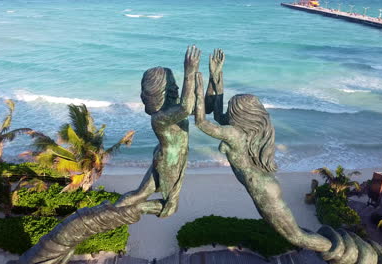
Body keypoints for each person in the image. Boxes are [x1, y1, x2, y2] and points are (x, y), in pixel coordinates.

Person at [193, 50, 331, 252]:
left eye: (231, 108)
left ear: (240, 116)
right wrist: (216, 75)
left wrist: (194, 86)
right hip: (262, 185)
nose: (227, 111)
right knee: (294, 235)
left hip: (263, 189)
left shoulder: (234, 134)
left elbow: (201, 122)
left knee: (297, 237)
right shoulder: (239, 132)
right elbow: (217, 113)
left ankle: (336, 250)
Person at [115, 45, 201, 218]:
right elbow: (186, 107)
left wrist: (215, 77)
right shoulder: (160, 117)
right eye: (173, 85)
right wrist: (189, 72)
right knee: (170, 207)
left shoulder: (171, 111)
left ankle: (112, 210)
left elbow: (201, 108)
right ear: (163, 91)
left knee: (140, 194)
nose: (176, 88)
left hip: (165, 157)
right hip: (170, 162)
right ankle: (130, 211)